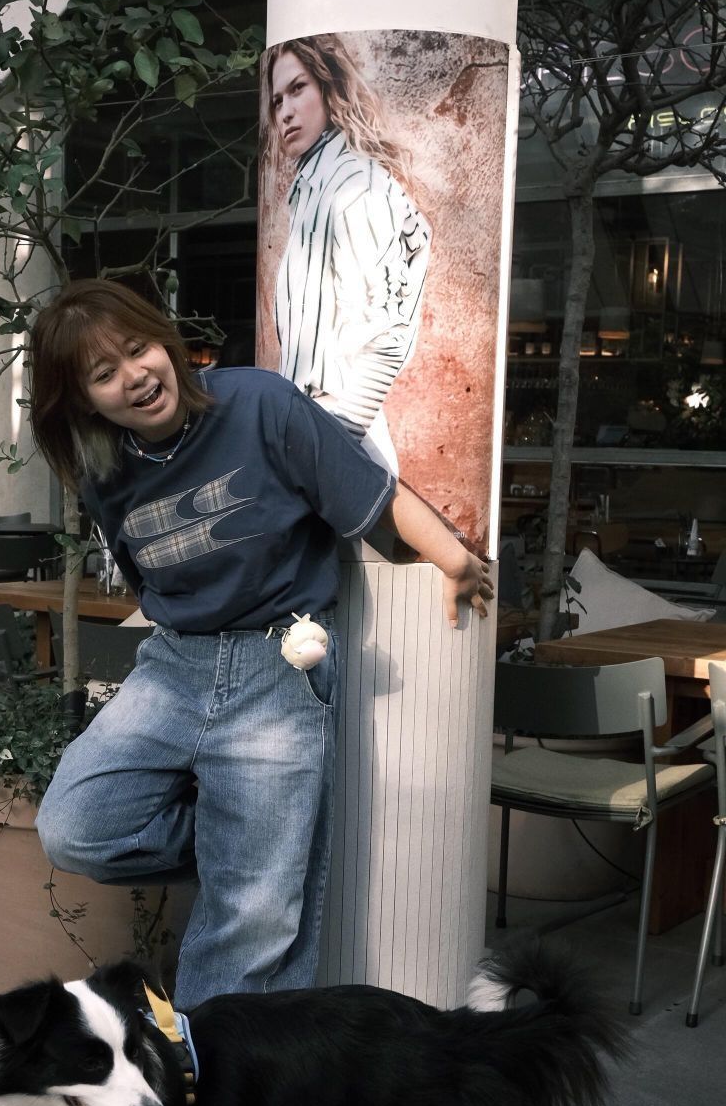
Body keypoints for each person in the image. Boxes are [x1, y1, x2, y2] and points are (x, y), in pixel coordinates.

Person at [30, 279, 492, 1009]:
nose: (135, 376)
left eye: (138, 348)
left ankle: (216, 1065)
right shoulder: (104, 471)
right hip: (172, 664)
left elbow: (366, 489)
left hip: (279, 662)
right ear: (84, 400)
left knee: (252, 921)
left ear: (166, 341)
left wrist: (453, 558)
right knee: (75, 827)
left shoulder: (258, 402)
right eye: (104, 373)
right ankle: (254, 850)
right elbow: (145, 573)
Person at [265, 35, 431, 477]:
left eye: (297, 89)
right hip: (317, 437)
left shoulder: (353, 184)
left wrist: (334, 443)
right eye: (277, 100)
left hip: (341, 445)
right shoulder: (313, 188)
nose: (285, 111)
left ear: (328, 87)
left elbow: (390, 333)